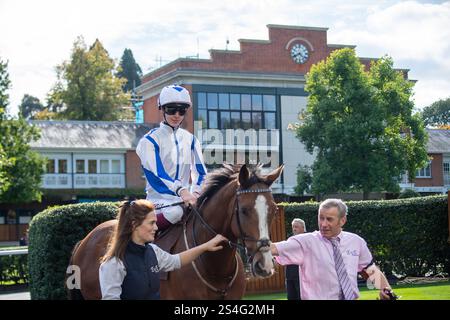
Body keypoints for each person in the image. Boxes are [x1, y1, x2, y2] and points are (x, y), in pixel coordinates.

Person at [99, 199, 226, 300]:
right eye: (151, 223)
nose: (156, 227)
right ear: (134, 225)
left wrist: (206, 246)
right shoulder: (114, 263)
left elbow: (177, 260)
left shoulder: (153, 251)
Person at [270, 198, 394, 300]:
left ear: (342, 220)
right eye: (321, 218)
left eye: (329, 219)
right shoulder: (305, 241)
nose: (323, 224)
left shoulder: (356, 242)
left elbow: (370, 270)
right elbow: (273, 248)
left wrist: (386, 291)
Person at [136, 84, 207, 231]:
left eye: (181, 111)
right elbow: (157, 175)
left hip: (186, 199)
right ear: (161, 109)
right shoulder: (149, 141)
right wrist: (182, 191)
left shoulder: (192, 140)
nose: (176, 115)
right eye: (171, 109)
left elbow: (201, 173)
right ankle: (139, 240)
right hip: (159, 202)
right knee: (176, 212)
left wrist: (195, 193)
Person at [285, 218, 305, 300]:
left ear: (303, 228)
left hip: (302, 275)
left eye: (296, 226)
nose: (294, 229)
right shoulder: (290, 240)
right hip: (290, 275)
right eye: (293, 227)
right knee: (291, 297)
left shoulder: (307, 239)